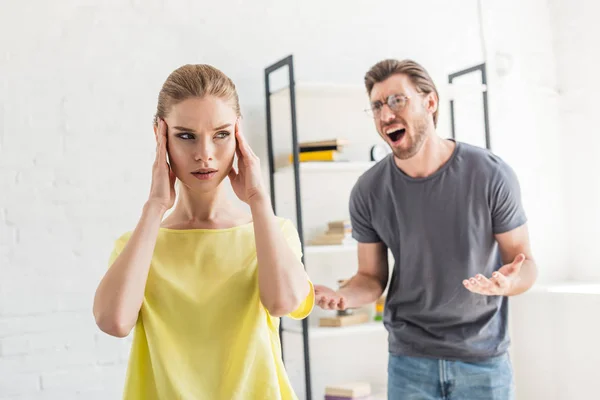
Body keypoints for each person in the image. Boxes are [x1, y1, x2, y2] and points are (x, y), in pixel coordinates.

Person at [314, 59, 537, 400]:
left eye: (397, 100)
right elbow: (371, 277)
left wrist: (507, 283)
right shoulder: (369, 190)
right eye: (376, 106)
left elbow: (525, 265)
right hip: (409, 360)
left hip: (483, 360)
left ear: (430, 102)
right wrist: (343, 296)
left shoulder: (490, 174)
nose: (386, 114)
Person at [92, 64, 314, 400]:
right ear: (160, 137)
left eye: (221, 134)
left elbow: (282, 301)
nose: (204, 154)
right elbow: (114, 322)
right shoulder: (138, 245)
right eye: (186, 136)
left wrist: (258, 200)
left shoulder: (273, 231)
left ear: (239, 134)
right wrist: (154, 206)